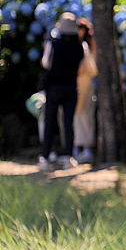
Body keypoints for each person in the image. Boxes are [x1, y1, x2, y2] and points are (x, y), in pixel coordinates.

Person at [39, 12, 84, 170]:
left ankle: (45, 157)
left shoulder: (53, 44)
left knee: (49, 122)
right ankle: (68, 157)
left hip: (54, 87)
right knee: (68, 123)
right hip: (71, 87)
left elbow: (45, 64)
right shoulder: (80, 47)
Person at [73, 17, 98, 164]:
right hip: (80, 84)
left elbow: (90, 68)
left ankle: (86, 149)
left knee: (84, 117)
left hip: (85, 84)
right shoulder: (83, 45)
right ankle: (79, 149)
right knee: (79, 117)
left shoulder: (86, 46)